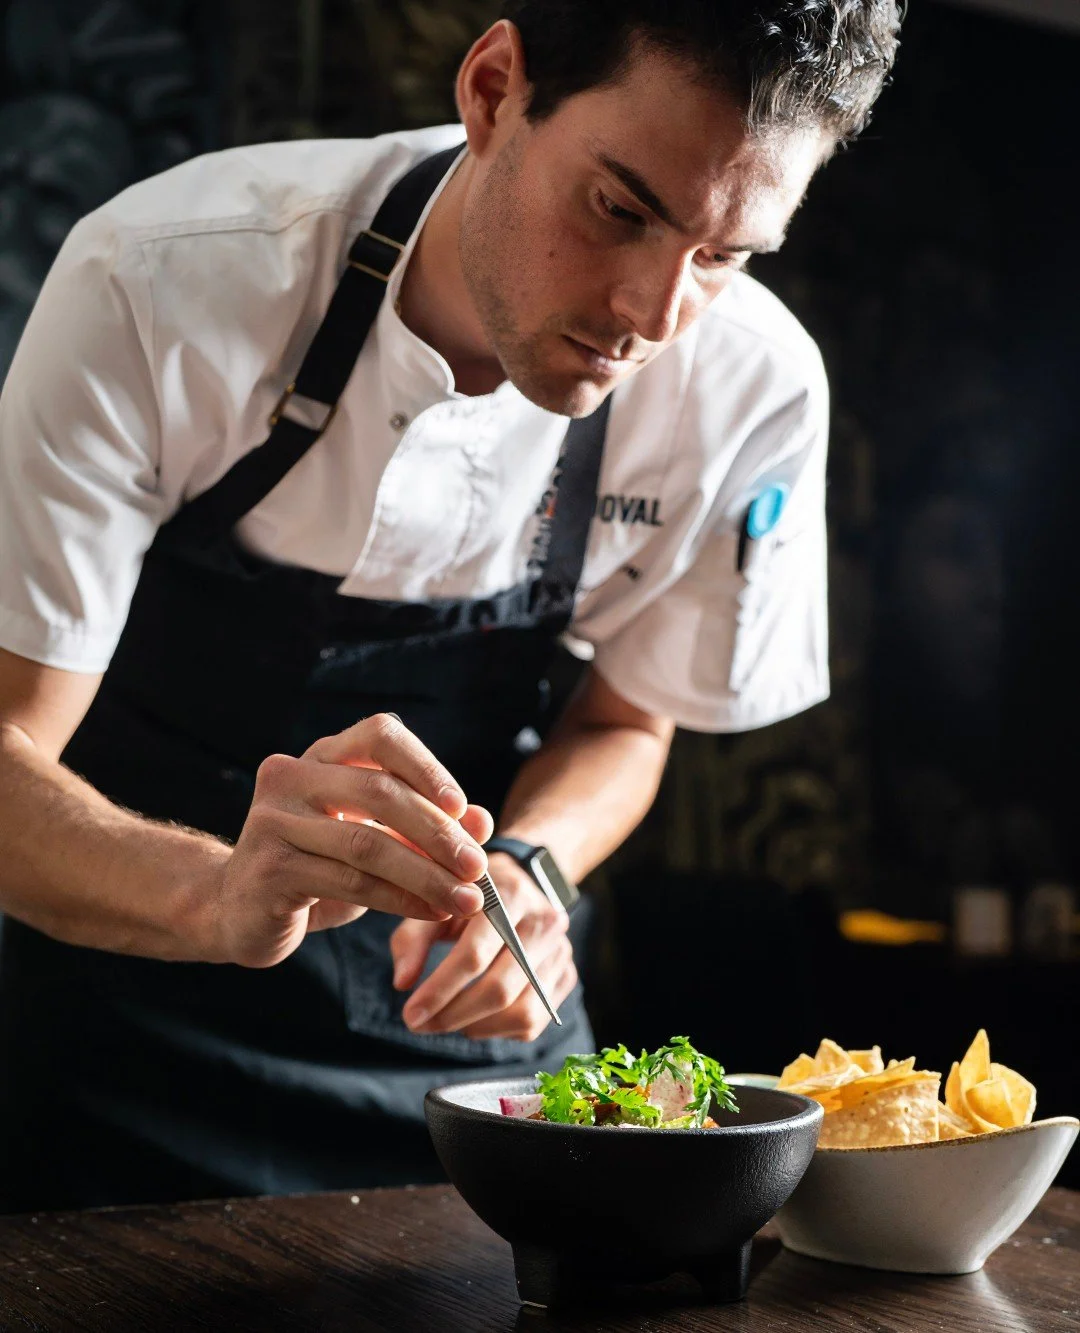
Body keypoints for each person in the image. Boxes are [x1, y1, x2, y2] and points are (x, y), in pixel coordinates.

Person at [0, 0, 901, 1211]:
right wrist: (218, 895)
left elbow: (627, 730)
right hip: (127, 1014)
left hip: (473, 1053)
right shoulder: (162, 281)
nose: (653, 314)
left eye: (727, 254)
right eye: (619, 209)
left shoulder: (756, 389)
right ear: (492, 90)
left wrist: (535, 864)